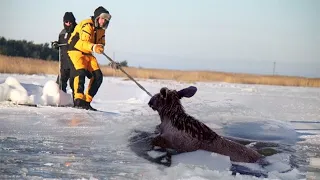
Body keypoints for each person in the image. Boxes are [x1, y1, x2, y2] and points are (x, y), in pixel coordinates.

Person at [67, 6, 111, 111]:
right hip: (75, 50)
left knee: (98, 76)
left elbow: (101, 43)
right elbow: (82, 43)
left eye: (107, 19)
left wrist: (100, 47)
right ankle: (78, 100)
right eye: (103, 18)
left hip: (88, 53)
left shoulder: (102, 30)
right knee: (80, 72)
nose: (104, 21)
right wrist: (94, 47)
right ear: (97, 17)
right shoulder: (87, 25)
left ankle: (86, 101)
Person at [51, 12, 77, 93]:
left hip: (75, 63)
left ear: (73, 21)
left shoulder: (78, 31)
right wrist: (56, 44)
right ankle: (62, 100)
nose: (68, 24)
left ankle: (77, 103)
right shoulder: (62, 33)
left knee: (75, 85)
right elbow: (60, 44)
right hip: (64, 63)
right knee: (60, 84)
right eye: (66, 22)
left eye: (70, 22)